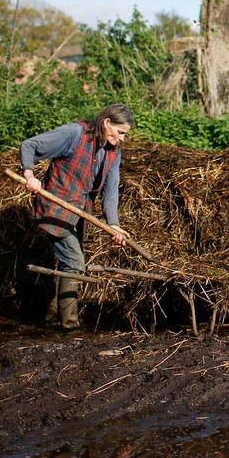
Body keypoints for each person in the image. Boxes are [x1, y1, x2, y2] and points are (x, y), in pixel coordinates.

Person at [20, 103, 134, 329]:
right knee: (74, 262)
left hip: (78, 214)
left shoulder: (113, 153)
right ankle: (70, 324)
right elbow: (29, 145)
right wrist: (29, 174)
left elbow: (110, 191)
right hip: (55, 208)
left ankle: (53, 317)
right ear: (106, 123)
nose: (121, 139)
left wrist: (114, 225)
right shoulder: (74, 134)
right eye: (120, 132)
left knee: (66, 263)